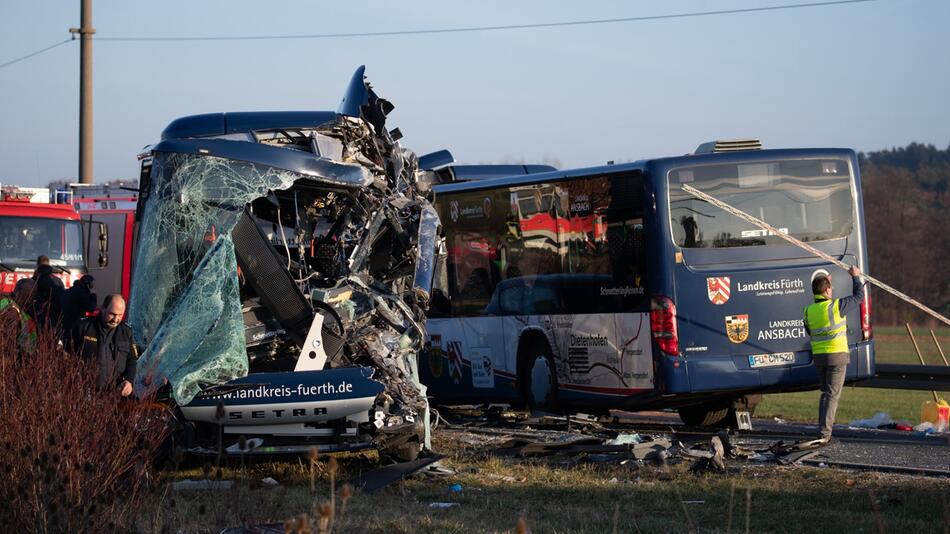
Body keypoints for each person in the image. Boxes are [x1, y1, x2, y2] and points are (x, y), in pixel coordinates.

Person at [803, 265, 865, 443]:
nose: (832, 290)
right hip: (837, 356)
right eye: (830, 287)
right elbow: (859, 297)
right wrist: (855, 277)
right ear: (827, 290)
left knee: (826, 393)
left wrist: (826, 282)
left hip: (819, 358)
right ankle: (825, 433)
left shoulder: (808, 311)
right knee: (832, 396)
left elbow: (810, 331)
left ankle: (823, 430)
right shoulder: (836, 306)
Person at [71, 293, 138, 397]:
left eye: (120, 315)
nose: (116, 319)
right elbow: (67, 354)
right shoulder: (84, 327)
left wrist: (129, 381)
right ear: (103, 308)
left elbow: (132, 359)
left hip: (115, 394)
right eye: (112, 314)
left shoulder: (127, 332)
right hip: (87, 392)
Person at [0, 278, 38, 354]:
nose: (30, 301)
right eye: (27, 296)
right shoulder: (12, 312)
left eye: (33, 296)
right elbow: (8, 345)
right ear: (17, 292)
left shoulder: (10, 304)